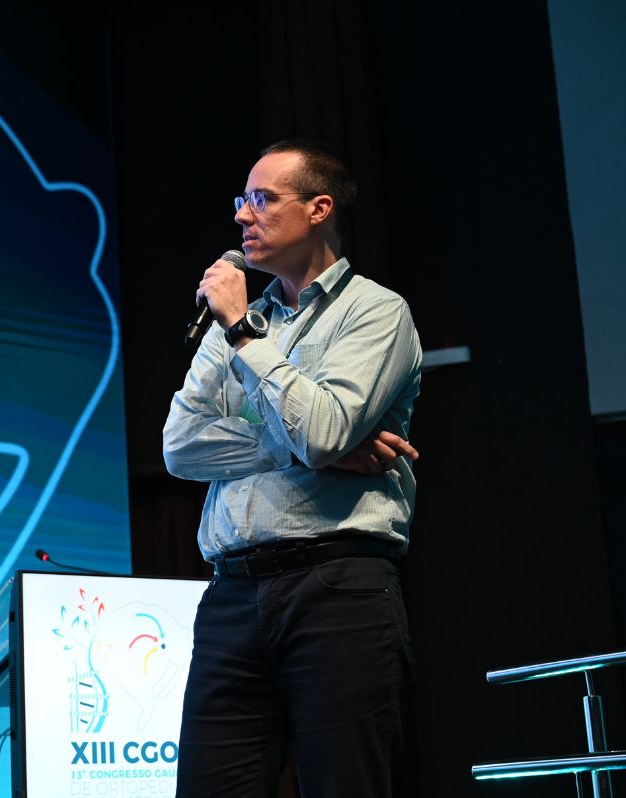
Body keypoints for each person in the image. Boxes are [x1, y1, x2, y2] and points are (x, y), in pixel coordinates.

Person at [163, 139, 422, 798]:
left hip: (337, 586)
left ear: (318, 209)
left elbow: (324, 428)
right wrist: (308, 445)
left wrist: (244, 336)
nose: (242, 216)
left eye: (261, 199)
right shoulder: (238, 321)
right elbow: (181, 446)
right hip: (231, 595)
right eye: (241, 200)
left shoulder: (375, 312)